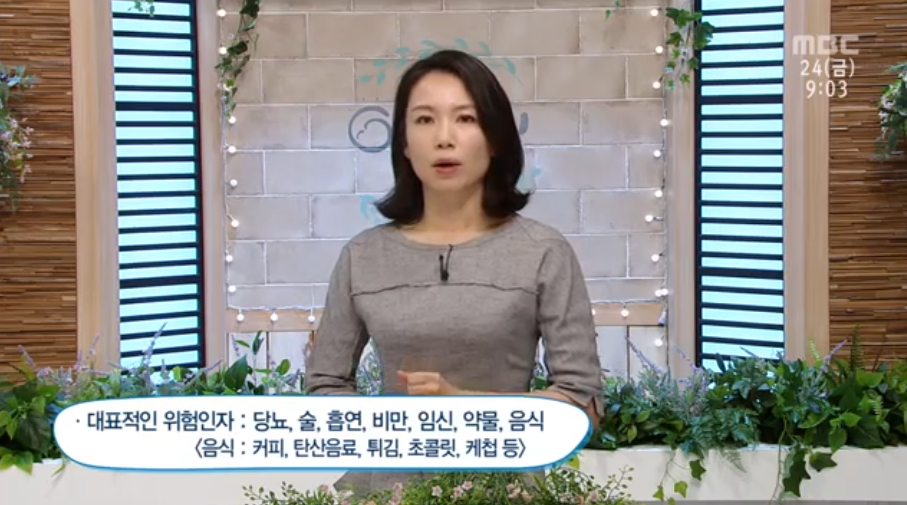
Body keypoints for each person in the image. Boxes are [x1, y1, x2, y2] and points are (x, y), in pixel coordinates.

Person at [304, 48, 604, 495]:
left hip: (503, 494)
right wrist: (385, 429)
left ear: (495, 137)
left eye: (466, 119)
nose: (444, 138)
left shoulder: (544, 252)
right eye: (425, 120)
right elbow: (325, 385)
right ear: (404, 143)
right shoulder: (362, 255)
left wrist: (464, 409)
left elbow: (583, 405)